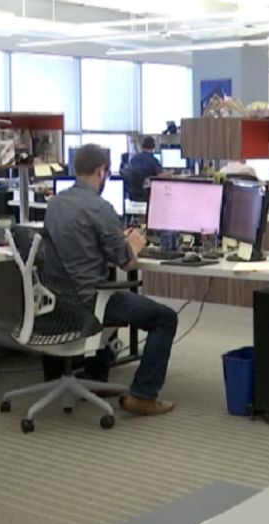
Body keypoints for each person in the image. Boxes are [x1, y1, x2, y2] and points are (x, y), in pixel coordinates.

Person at [43, 144, 178, 416]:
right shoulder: (100, 208)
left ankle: (97, 379)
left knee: (108, 295)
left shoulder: (54, 204)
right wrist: (134, 245)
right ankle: (143, 395)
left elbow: (77, 246)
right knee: (165, 318)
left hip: (56, 303)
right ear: (101, 171)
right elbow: (126, 262)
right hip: (89, 301)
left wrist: (113, 240)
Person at [122, 136, 164, 202]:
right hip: (146, 195)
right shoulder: (153, 161)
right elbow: (159, 176)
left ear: (142, 146)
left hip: (132, 195)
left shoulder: (133, 159)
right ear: (153, 147)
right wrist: (171, 172)